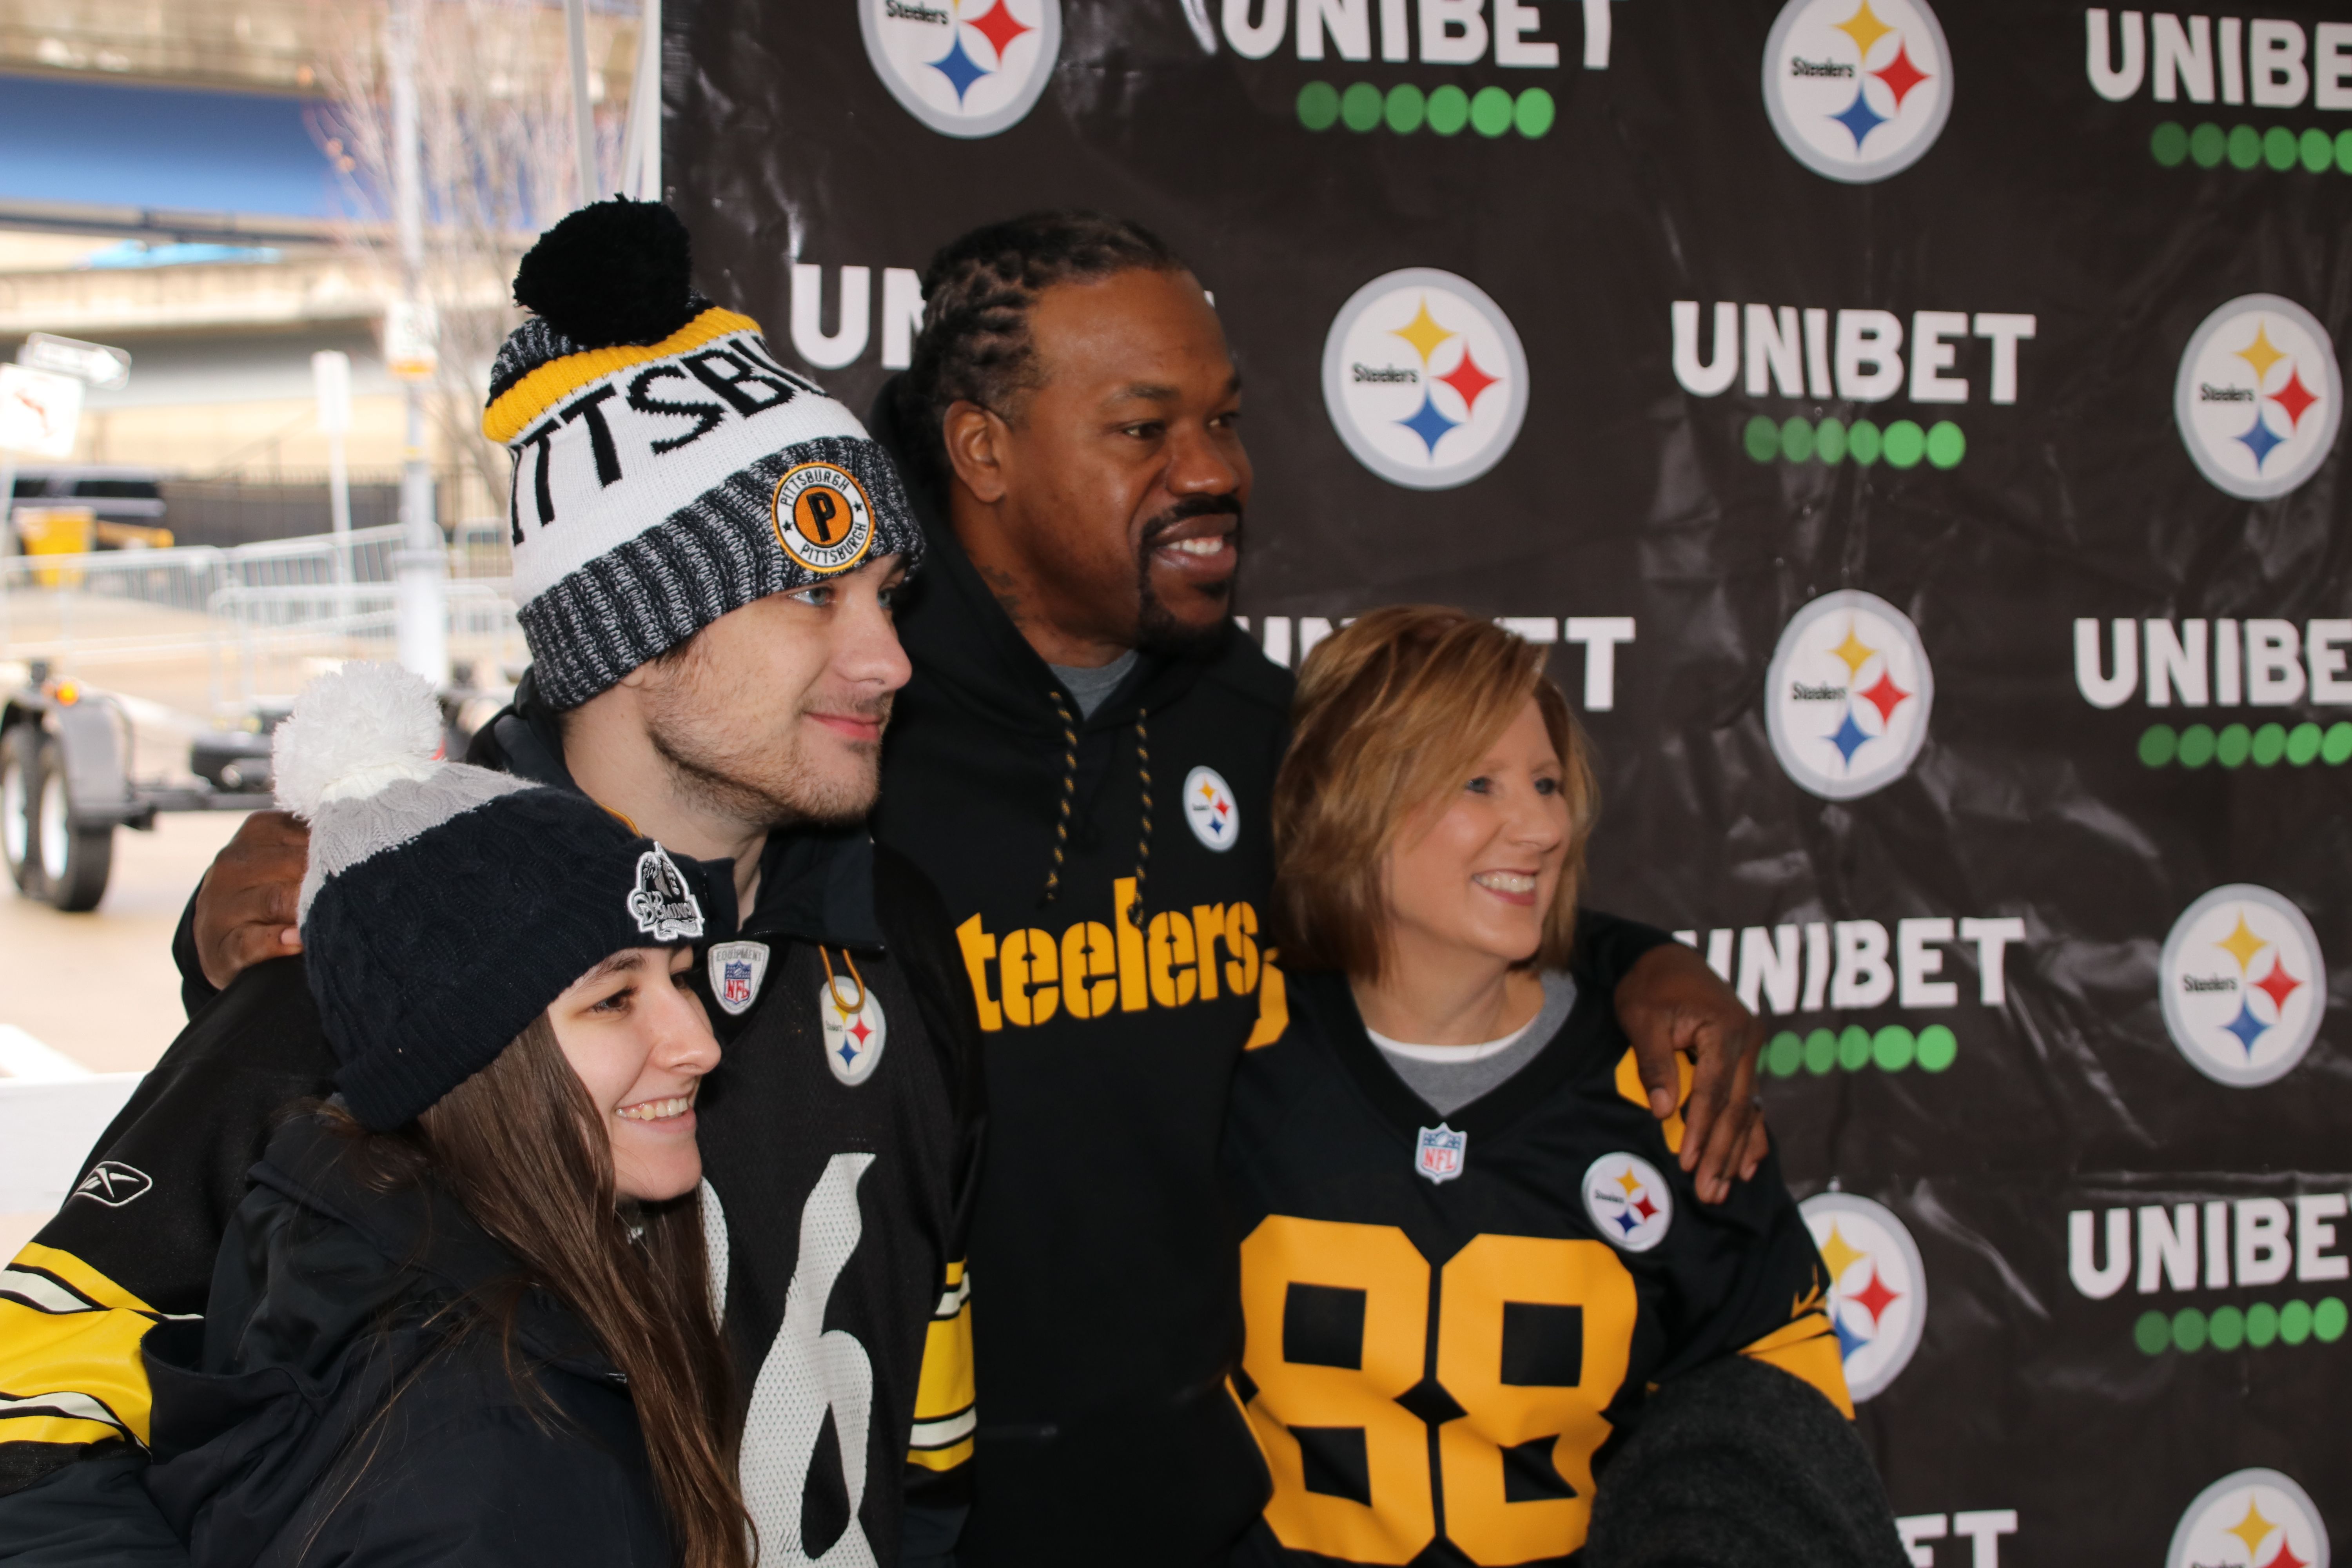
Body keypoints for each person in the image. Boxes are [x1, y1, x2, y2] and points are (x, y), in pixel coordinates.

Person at [135, 211, 1771, 1566]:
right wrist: (287, 920)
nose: (1214, 467)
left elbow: (1436, 891)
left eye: (1226, 415)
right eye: (1146, 426)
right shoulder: (799, 767)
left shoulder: (1248, 731)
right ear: (983, 448)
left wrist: (1645, 966)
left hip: (1191, 1514)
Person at [0, 201, 981, 1567]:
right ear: (635, 635)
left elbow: (925, 1411)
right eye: (820, 598)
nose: (889, 660)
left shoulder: (897, 929)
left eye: (889, 598)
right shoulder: (386, 944)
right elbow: (38, 1385)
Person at [1222, 607, 1900, 1568]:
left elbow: (1778, 1441)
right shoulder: (1230, 1047)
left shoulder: (1668, 1090)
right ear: (1350, 797)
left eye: (1547, 782)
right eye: (1479, 782)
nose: (1543, 825)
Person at [136, 662, 742, 1566]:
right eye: (615, 998)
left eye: (681, 979)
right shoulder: (489, 1458)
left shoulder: (334, 1245)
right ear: (463, 1053)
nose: (699, 1043)